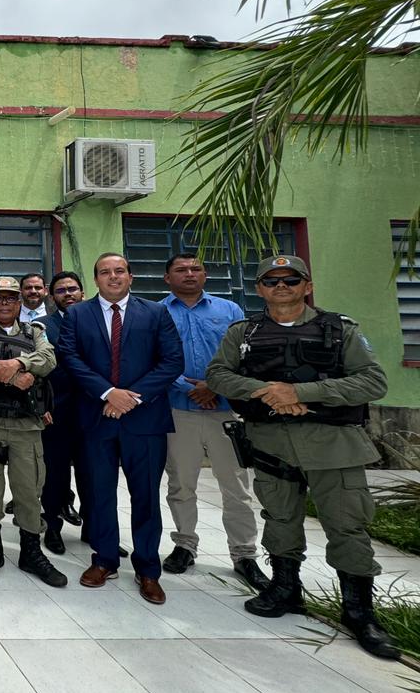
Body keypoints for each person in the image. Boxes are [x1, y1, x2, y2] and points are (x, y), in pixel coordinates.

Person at [206, 255, 399, 660]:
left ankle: (359, 611)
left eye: (291, 280)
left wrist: (301, 393)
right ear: (259, 289)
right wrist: (268, 392)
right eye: (271, 280)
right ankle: (285, 588)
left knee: (347, 525)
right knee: (279, 518)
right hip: (271, 442)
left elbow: (372, 381)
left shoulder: (340, 329)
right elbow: (219, 375)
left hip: (332, 444)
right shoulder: (244, 332)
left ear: (307, 286)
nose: (281, 286)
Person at [56, 252, 183, 605]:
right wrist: (108, 393)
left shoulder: (155, 313)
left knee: (146, 496)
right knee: (99, 493)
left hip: (145, 420)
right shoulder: (78, 314)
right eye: (104, 272)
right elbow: (69, 358)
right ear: (95, 279)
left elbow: (172, 360)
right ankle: (105, 559)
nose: (112, 277)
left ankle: (148, 569)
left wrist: (131, 397)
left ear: (130, 276)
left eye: (119, 271)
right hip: (97, 418)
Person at [160, 253, 269, 591]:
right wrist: (189, 388)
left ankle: (244, 553)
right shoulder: (157, 312)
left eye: (196, 269)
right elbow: (153, 359)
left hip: (225, 411)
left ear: (205, 275)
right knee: (181, 483)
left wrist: (215, 386)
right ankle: (185, 544)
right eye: (181, 270)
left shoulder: (229, 311)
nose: (189, 274)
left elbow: (244, 357)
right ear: (167, 278)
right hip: (179, 409)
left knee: (236, 486)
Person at [0, 276, 66, 586]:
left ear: (19, 303)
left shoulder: (35, 332)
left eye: (10, 298)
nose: (4, 303)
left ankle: (31, 552)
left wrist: (17, 363)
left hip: (25, 425)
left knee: (29, 490)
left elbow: (48, 359)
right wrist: (13, 376)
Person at [40, 271, 87, 554]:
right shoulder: (42, 326)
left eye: (72, 289)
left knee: (93, 475)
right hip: (56, 411)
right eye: (61, 290)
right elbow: (39, 370)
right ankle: (52, 527)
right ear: (51, 296)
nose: (68, 294)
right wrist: (41, 406)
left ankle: (95, 530)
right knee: (54, 474)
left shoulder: (99, 322)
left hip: (94, 412)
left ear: (82, 292)